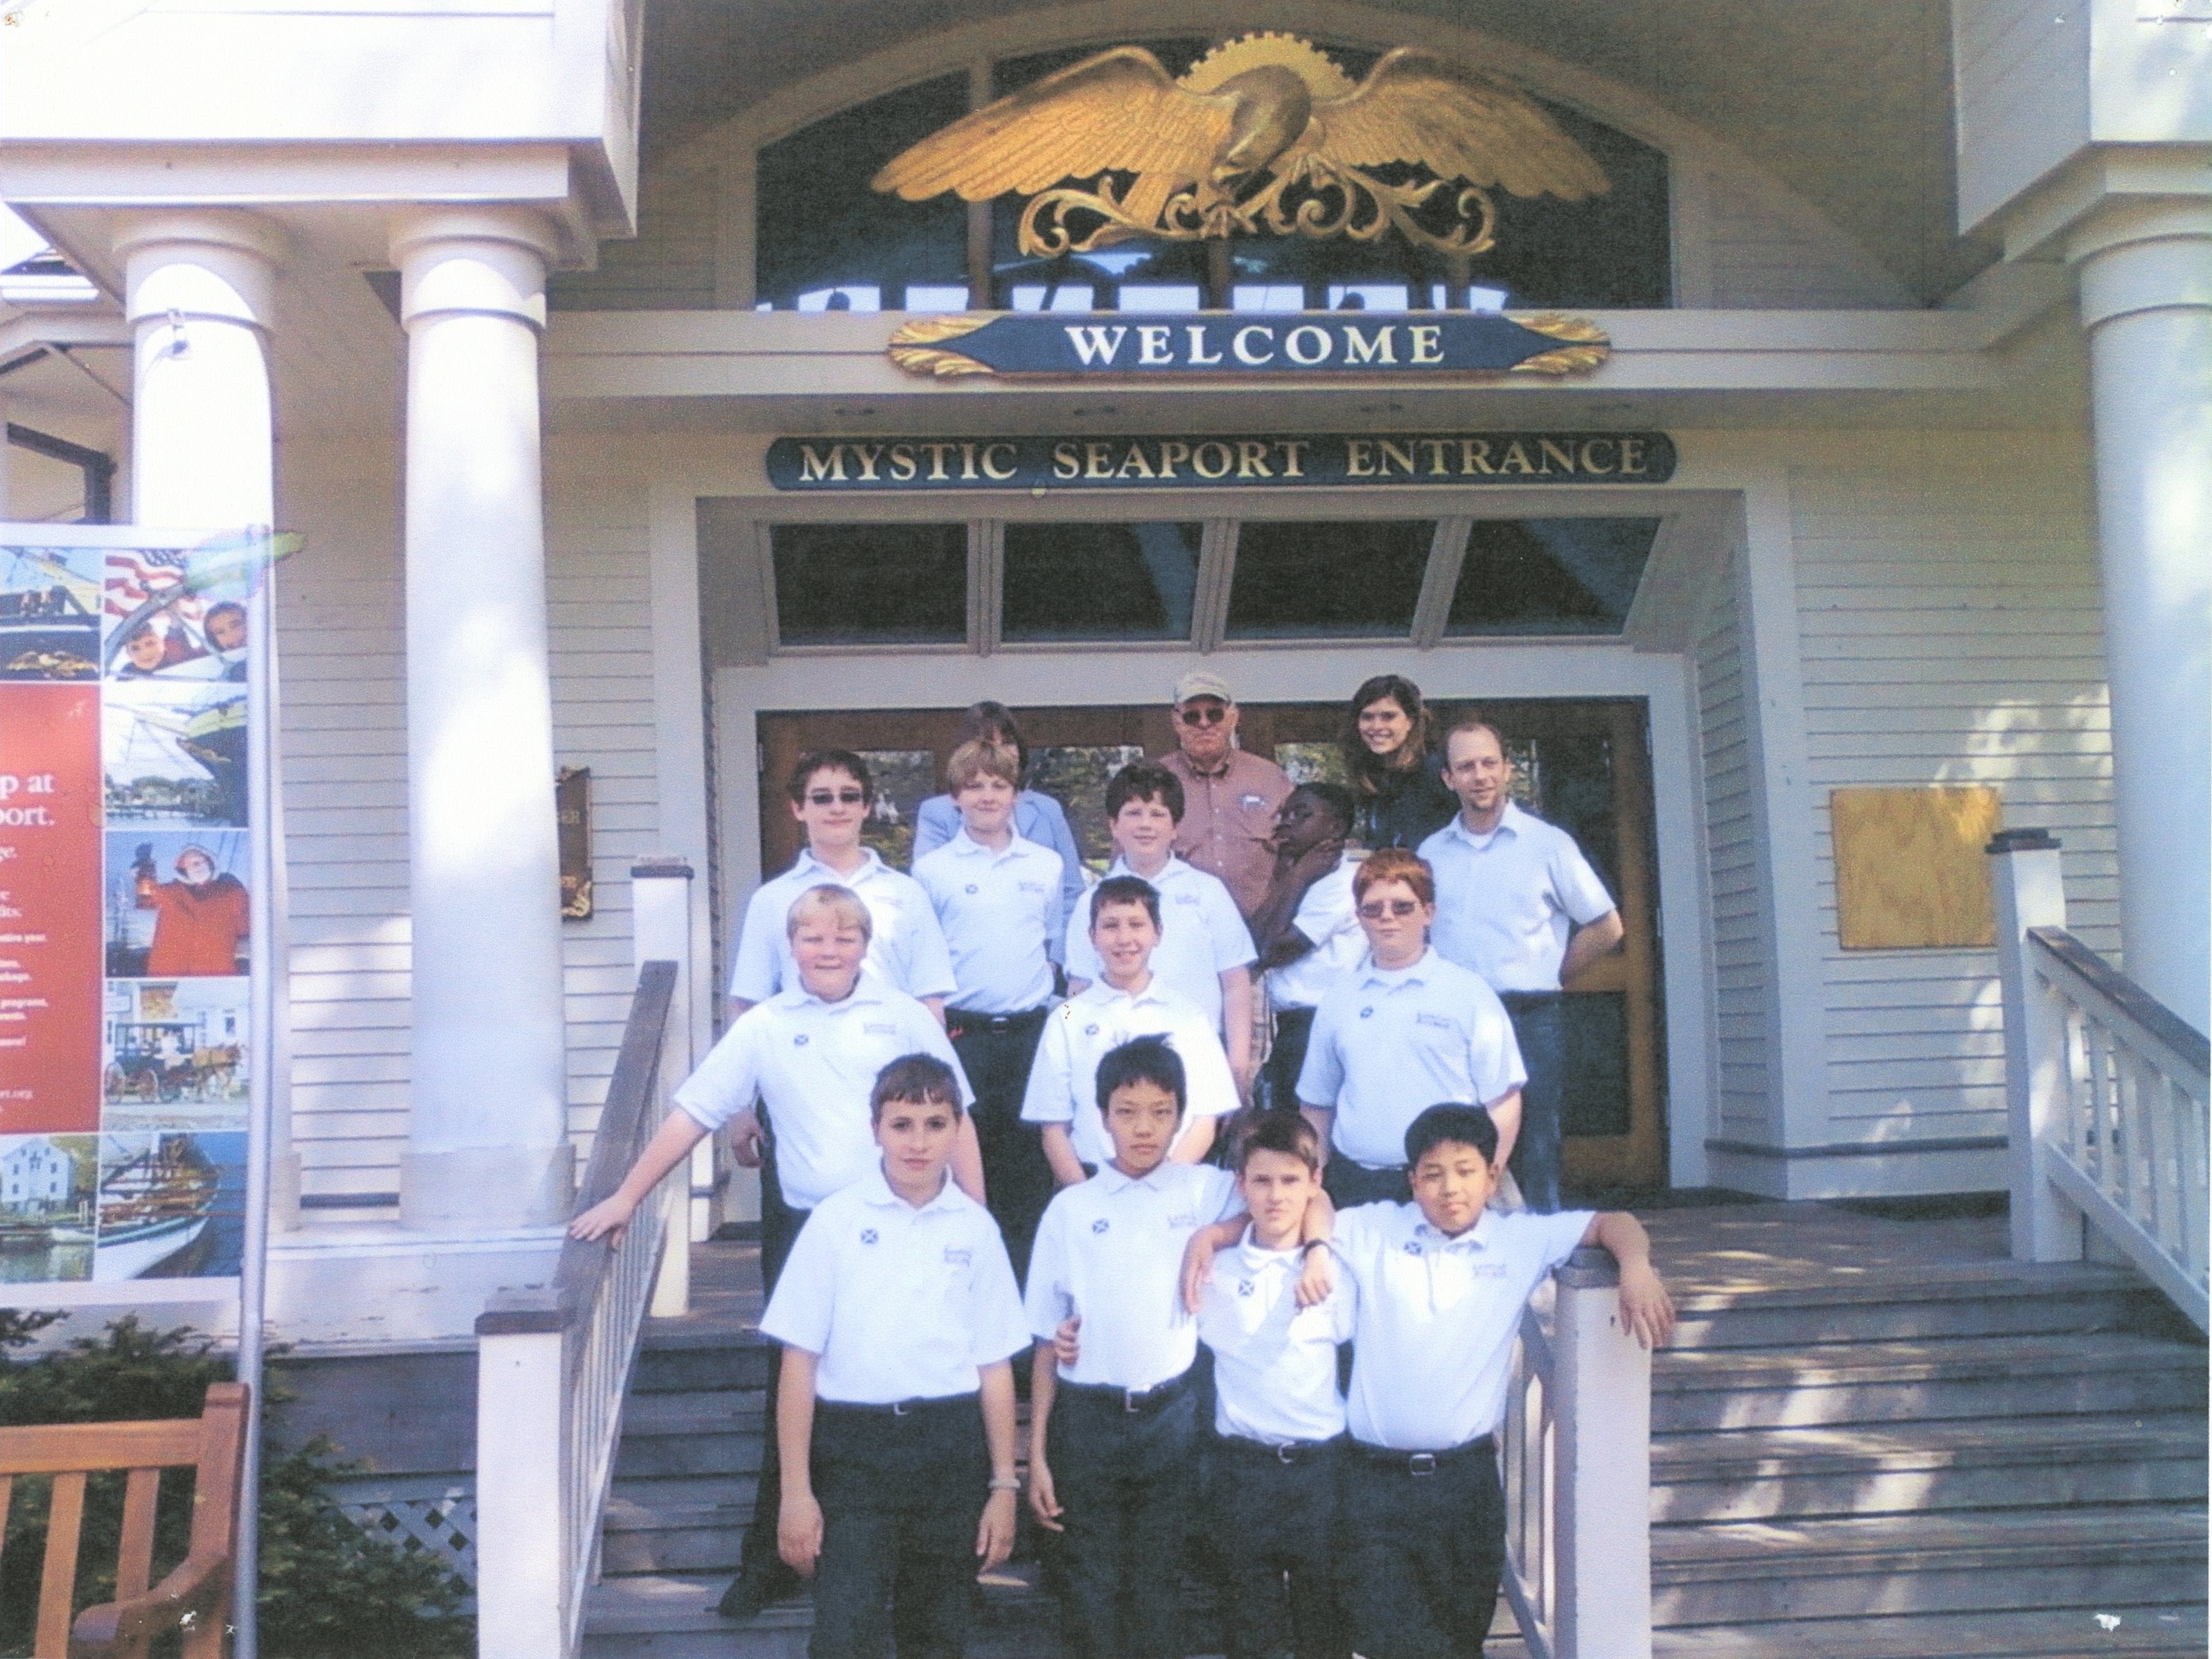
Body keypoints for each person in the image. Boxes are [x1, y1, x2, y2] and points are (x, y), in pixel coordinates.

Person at [572, 884, 978, 1624]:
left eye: (845, 937)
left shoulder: (903, 1016)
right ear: (791, 947)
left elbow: (961, 1120)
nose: (829, 951)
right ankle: (774, 1561)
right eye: (813, 938)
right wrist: (626, 1196)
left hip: (910, 1224)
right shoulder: (763, 1026)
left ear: (865, 946)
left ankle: (940, 1568)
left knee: (922, 1374)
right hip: (809, 1232)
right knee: (794, 1387)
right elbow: (692, 1114)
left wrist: (974, 1219)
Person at [1328, 1103, 1674, 1659]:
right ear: (1412, 1181)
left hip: (1463, 1485)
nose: (1450, 1188)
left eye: (1466, 1171)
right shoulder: (1375, 1229)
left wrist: (1635, 1267)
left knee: (1460, 1637)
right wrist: (1310, 1249)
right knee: (1392, 1638)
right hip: (1373, 1482)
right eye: (1433, 1174)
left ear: (1492, 1177)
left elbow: (1614, 1223)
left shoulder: (1518, 1240)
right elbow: (1308, 1206)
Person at [1023, 1038, 1326, 1659]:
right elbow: (1048, 1346)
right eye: (1127, 1112)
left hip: (1171, 1420)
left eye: (1161, 1112)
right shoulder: (1070, 1210)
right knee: (1090, 1584)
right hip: (1088, 1419)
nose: (1144, 1128)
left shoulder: (1204, 1189)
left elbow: (1309, 1198)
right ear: (1101, 1117)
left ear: (1182, 1117)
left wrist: (1213, 1235)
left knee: (1158, 1582)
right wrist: (1038, 1455)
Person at [762, 1054, 1027, 1659]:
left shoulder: (976, 1230)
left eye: (936, 1124)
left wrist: (1003, 1485)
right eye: (901, 1124)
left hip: (949, 1449)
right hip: (855, 1453)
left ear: (957, 1130)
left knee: (937, 1635)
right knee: (844, 1634)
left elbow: (993, 1368)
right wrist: (796, 1492)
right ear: (875, 1129)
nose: (918, 1142)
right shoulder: (834, 1222)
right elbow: (798, 1364)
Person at [1420, 718, 1624, 1214]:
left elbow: (1606, 926)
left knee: (1536, 1140)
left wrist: (1553, 974)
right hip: (1454, 1017)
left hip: (1530, 1016)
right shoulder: (1430, 853)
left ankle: (1541, 1245)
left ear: (1508, 769)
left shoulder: (1547, 845)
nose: (1480, 775)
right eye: (1466, 766)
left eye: (1489, 763)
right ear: (1448, 778)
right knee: (1454, 1139)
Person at [1193, 1112, 1353, 1659]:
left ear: (1315, 1183)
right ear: (1241, 1185)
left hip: (1321, 1470)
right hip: (1243, 1470)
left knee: (1324, 1625)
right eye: (1261, 1180)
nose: (1276, 1195)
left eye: (1290, 1180)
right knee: (1249, 1628)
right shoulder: (1215, 1271)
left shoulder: (1337, 1269)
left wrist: (1319, 1250)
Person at [1294, 849, 1524, 1209]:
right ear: (1359, 917)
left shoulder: (1469, 994)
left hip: (1447, 1189)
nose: (1387, 917)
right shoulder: (1338, 1000)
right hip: (1356, 1187)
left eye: (1402, 907)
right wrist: (1316, 1187)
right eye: (1373, 909)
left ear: (1428, 913)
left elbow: (1503, 1100)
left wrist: (1484, 1181)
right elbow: (1317, 1106)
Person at [913, 737, 1064, 1278]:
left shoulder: (1046, 866)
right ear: (955, 796)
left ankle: (1025, 1305)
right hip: (962, 1037)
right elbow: (923, 960)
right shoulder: (932, 871)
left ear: (1017, 795)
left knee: (1030, 1174)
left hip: (1030, 1037)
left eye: (999, 785)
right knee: (963, 1174)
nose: (987, 796)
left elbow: (1051, 947)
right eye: (974, 785)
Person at [1022, 874, 1239, 1181]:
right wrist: (1087, 1193)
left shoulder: (1190, 1017)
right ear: (1093, 936)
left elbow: (1205, 1120)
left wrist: (1160, 1186)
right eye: (1111, 926)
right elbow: (1054, 1128)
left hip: (1172, 1184)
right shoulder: (1067, 1017)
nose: (1124, 939)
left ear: (1158, 933)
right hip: (1091, 1183)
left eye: (1137, 925)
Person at [1065, 760, 1258, 1091]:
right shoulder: (1092, 901)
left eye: (1157, 814)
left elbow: (1235, 984)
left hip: (1196, 1060)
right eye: (1133, 813)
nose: (1145, 825)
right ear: (1113, 825)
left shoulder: (1207, 892)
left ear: (1175, 827)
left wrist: (1237, 1066)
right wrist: (1067, 1042)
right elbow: (1077, 989)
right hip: (1113, 1064)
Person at [729, 748, 956, 1019]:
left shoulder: (907, 893)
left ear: (866, 807)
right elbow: (749, 1002)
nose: (837, 808)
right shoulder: (770, 899)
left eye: (849, 796)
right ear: (798, 808)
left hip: (890, 1042)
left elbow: (930, 997)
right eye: (822, 798)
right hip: (803, 1041)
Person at [911, 701, 1087, 929]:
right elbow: (930, 893)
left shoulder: (1047, 809)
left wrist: (1057, 950)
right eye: (988, 742)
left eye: (1008, 742)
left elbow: (1071, 892)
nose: (1000, 750)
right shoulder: (937, 811)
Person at [1243, 783, 1360, 1115]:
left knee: (1311, 1124)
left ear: (1335, 827)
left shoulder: (1343, 883)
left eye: (1302, 815)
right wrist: (1294, 877)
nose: (1287, 823)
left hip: (1322, 1022)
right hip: (1290, 1026)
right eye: (1285, 814)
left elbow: (1275, 951)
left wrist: (1297, 878)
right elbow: (1250, 946)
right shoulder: (1301, 876)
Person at [1154, 670, 1292, 920]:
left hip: (1260, 928)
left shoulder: (1270, 778)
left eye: (1214, 714)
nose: (1204, 724)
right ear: (1176, 721)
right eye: (1192, 716)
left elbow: (1297, 852)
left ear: (1233, 717)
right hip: (1180, 926)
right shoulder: (1155, 781)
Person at [1340, 674, 1455, 850]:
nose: (1377, 726)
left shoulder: (1437, 772)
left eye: (1388, 716)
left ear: (1411, 721)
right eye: (1367, 717)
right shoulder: (1375, 778)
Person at [133, 843, 249, 976]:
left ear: (211, 863)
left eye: (201, 861)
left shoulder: (233, 894)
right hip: (168, 978)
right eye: (191, 864)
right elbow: (145, 898)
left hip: (214, 979)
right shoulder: (169, 892)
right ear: (184, 870)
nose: (197, 866)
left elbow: (248, 929)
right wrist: (143, 868)